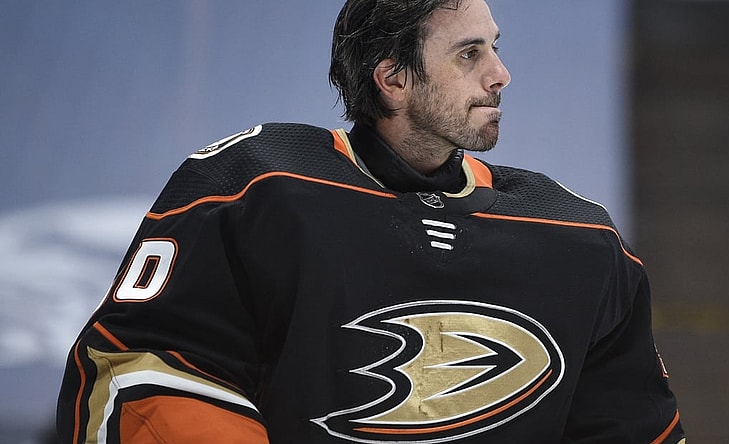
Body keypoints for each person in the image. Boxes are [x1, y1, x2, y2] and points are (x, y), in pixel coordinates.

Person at [56, 0, 686, 442]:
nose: (501, 74)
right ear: (393, 79)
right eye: (470, 53)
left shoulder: (579, 237)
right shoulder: (256, 187)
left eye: (495, 47)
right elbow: (132, 372)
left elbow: (633, 426)